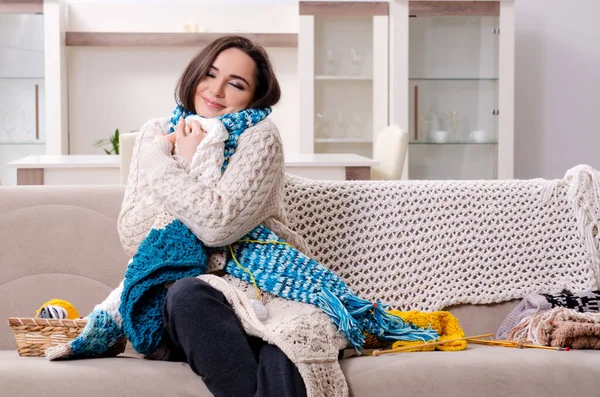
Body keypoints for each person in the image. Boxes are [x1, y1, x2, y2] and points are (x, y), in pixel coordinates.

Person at [117, 36, 316, 397]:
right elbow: (132, 232)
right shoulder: (154, 134)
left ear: (254, 97)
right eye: (210, 74)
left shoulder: (260, 137)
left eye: (236, 84)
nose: (216, 90)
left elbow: (218, 226)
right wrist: (182, 162)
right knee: (188, 294)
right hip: (184, 303)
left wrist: (174, 164)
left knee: (289, 343)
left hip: (258, 291)